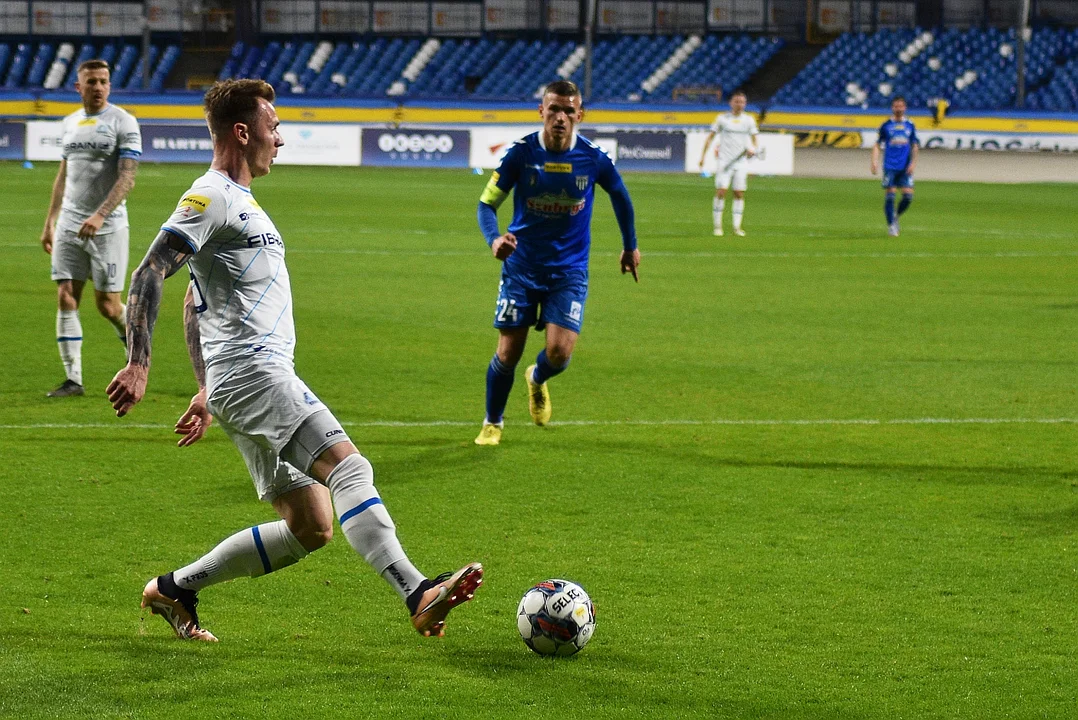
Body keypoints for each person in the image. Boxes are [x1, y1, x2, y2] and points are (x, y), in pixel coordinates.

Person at [106, 79, 482, 642]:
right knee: (349, 468)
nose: (279, 138)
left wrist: (208, 387)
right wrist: (139, 362)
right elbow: (149, 272)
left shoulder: (240, 203)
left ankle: (175, 588)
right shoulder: (211, 196)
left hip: (238, 380)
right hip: (257, 373)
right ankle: (416, 591)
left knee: (311, 525)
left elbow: (193, 301)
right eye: (273, 125)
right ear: (243, 131)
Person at [474, 79, 640, 446]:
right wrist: (495, 239)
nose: (561, 117)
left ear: (580, 114)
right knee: (507, 350)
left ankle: (537, 379)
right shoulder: (520, 155)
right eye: (554, 109)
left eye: (569, 111)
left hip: (569, 271)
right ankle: (493, 422)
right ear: (541, 112)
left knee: (560, 353)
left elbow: (621, 197)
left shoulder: (593, 158)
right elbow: (487, 204)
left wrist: (630, 247)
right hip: (522, 267)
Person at [41, 59, 141, 397]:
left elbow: (127, 176)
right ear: (78, 87)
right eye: (92, 81)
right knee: (66, 294)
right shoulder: (69, 123)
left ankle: (138, 359)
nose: (98, 87)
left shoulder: (123, 122)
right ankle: (74, 380)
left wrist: (100, 214)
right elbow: (63, 175)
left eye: (103, 81)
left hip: (107, 227)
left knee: (108, 305)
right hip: (69, 222)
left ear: (109, 86)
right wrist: (50, 221)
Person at [698, 90, 758, 237]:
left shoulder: (749, 120)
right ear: (731, 103)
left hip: (740, 162)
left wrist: (753, 149)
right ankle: (717, 226)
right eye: (737, 101)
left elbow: (755, 139)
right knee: (721, 191)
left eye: (742, 102)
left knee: (739, 193)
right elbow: (710, 137)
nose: (739, 105)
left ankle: (737, 227)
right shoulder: (722, 119)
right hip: (724, 161)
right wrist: (703, 156)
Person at [870, 96, 919, 237]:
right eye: (896, 106)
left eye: (901, 106)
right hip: (890, 166)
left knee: (908, 196)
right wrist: (874, 161)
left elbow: (914, 145)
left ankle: (895, 215)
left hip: (905, 167)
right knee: (890, 195)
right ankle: (891, 225)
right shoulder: (886, 126)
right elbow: (877, 145)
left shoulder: (910, 125)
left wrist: (913, 163)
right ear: (892, 108)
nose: (898, 109)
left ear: (905, 108)